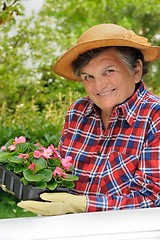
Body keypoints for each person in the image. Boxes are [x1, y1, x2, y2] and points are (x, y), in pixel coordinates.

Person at [17, 23, 160, 215]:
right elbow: (63, 176)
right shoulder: (77, 112)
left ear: (136, 70)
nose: (98, 85)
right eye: (88, 76)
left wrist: (82, 205)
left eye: (109, 71)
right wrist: (27, 179)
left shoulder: (155, 117)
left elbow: (152, 199)